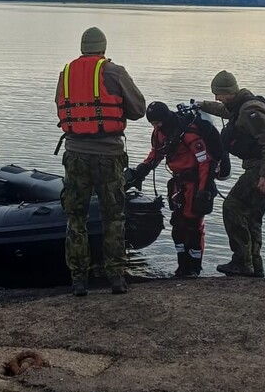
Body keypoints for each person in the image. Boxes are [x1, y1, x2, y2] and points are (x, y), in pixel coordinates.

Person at [55, 27, 145, 296]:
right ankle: (116, 277)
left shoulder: (65, 73)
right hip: (109, 155)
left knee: (76, 217)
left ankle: (79, 280)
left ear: (82, 47)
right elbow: (139, 109)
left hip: (75, 155)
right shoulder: (114, 72)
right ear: (103, 48)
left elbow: (60, 105)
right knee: (114, 216)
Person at [197, 71, 265, 278]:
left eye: (218, 94)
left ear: (228, 93)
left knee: (232, 206)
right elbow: (223, 110)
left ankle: (241, 261)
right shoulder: (240, 105)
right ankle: (255, 265)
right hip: (263, 166)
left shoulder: (250, 111)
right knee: (253, 216)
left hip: (261, 168)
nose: (217, 98)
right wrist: (202, 104)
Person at [126, 102, 215, 277]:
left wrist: (202, 192)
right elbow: (157, 153)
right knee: (178, 223)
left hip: (195, 182)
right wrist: (141, 170)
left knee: (193, 225)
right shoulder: (160, 132)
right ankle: (182, 266)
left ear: (165, 119)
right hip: (178, 183)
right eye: (152, 123)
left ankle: (195, 268)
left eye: (157, 123)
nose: (155, 126)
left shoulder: (189, 133)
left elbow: (205, 162)